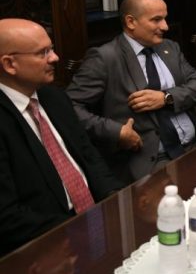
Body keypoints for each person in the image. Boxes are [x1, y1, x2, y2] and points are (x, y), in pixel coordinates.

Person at [0, 19, 121, 255]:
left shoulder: (54, 97)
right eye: (43, 53)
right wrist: (76, 230)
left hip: (95, 220)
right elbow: (7, 216)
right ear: (9, 64)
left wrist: (114, 196)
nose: (55, 58)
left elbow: (88, 156)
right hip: (46, 247)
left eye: (52, 49)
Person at [66, 0, 196, 183]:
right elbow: (68, 107)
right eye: (156, 20)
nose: (165, 26)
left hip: (195, 146)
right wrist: (116, 132)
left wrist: (166, 98)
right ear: (131, 22)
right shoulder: (105, 58)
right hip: (151, 160)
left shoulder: (169, 48)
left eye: (165, 19)